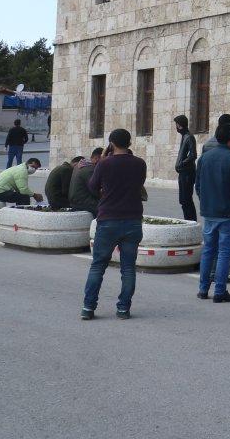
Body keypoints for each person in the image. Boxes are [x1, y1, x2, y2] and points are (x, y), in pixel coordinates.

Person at [82, 130, 148, 320]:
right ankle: (123, 308)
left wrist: (103, 159)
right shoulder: (139, 163)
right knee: (128, 268)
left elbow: (92, 186)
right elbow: (139, 183)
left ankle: (88, 307)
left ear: (111, 143)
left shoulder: (104, 163)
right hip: (133, 220)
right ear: (130, 142)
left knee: (98, 266)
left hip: (108, 219)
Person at [195, 122, 230, 303]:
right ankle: (220, 291)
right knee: (224, 253)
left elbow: (198, 186)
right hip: (229, 214)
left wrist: (205, 202)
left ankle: (203, 289)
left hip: (209, 212)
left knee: (208, 251)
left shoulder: (204, 158)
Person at [174, 115, 198, 221]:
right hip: (183, 173)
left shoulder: (189, 137)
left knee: (186, 199)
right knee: (183, 200)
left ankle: (191, 221)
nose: (176, 127)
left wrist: (182, 163)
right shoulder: (184, 137)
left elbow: (193, 155)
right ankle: (187, 220)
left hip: (188, 173)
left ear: (180, 125)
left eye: (177, 125)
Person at [68, 148, 105, 216]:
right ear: (98, 158)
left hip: (75, 201)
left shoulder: (80, 165)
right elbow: (95, 190)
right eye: (104, 159)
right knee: (108, 208)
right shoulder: (90, 169)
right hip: (83, 203)